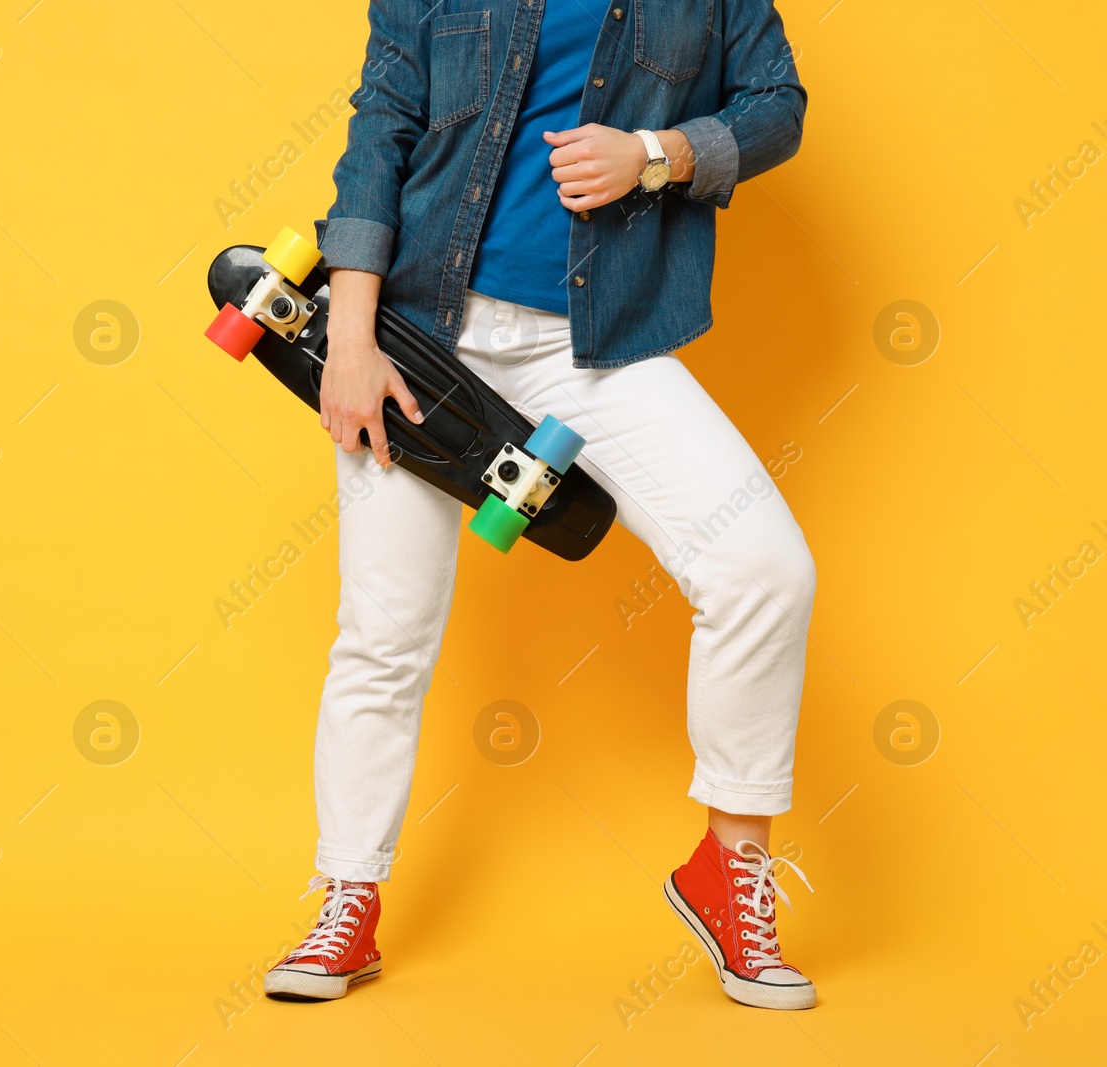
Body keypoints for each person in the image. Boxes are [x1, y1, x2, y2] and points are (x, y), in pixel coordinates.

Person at [262, 0, 820, 1011]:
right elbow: (378, 129)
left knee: (762, 568)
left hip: (599, 341)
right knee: (383, 632)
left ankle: (727, 869)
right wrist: (348, 339)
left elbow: (775, 106)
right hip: (422, 335)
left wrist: (656, 154)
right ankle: (347, 895)